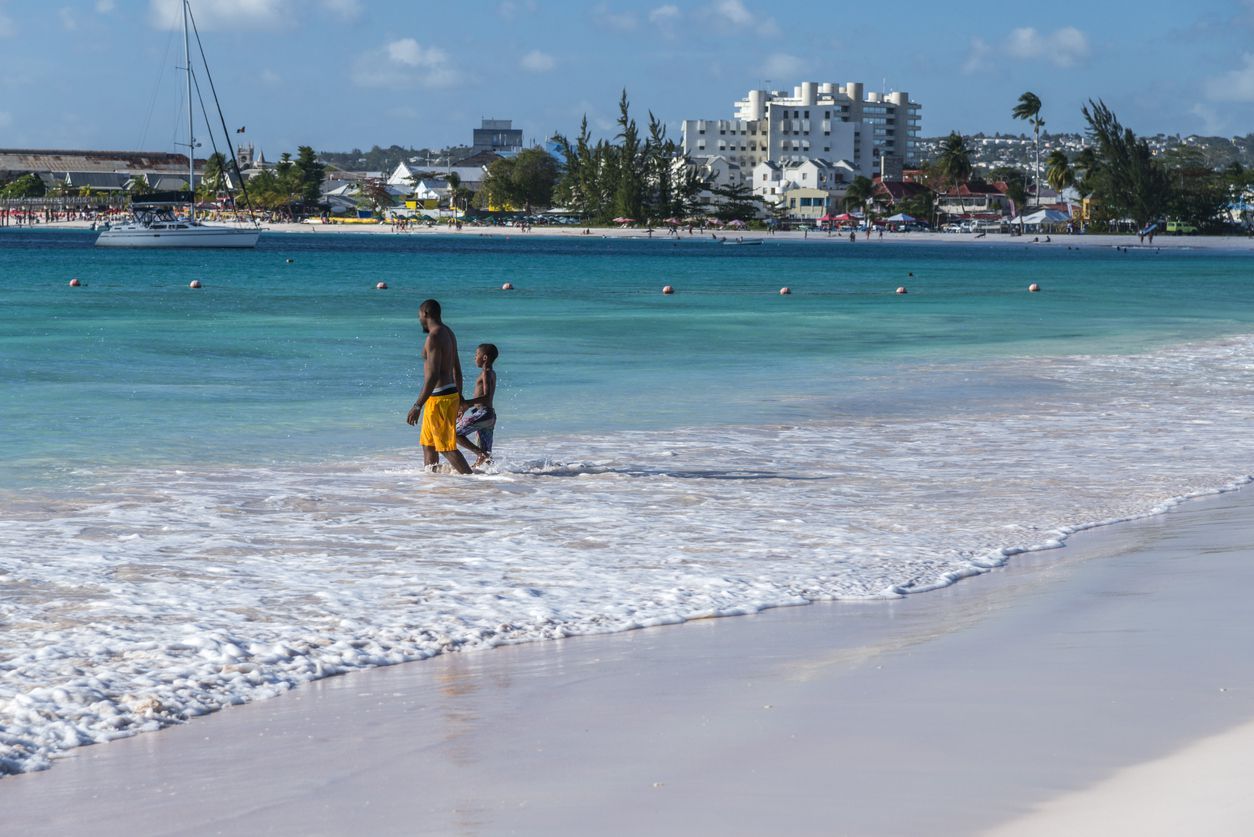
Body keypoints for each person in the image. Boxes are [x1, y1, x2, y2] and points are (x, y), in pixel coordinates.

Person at [405, 299, 472, 474]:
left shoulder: (433, 337)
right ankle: (432, 486)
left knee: (445, 447)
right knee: (429, 445)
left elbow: (433, 375)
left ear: (425, 314)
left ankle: (473, 482)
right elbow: (457, 369)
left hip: (440, 398)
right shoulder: (449, 332)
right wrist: (460, 396)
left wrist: (417, 405)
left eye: (419, 315)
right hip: (444, 396)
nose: (419, 319)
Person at [456, 343, 499, 466]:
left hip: (483, 414)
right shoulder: (491, 372)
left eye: (476, 355)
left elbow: (487, 397)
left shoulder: (486, 372)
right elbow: (483, 398)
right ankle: (489, 480)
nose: (474, 358)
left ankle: (480, 453)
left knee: (454, 434)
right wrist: (467, 407)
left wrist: (465, 403)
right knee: (486, 460)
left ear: (484, 357)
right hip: (489, 416)